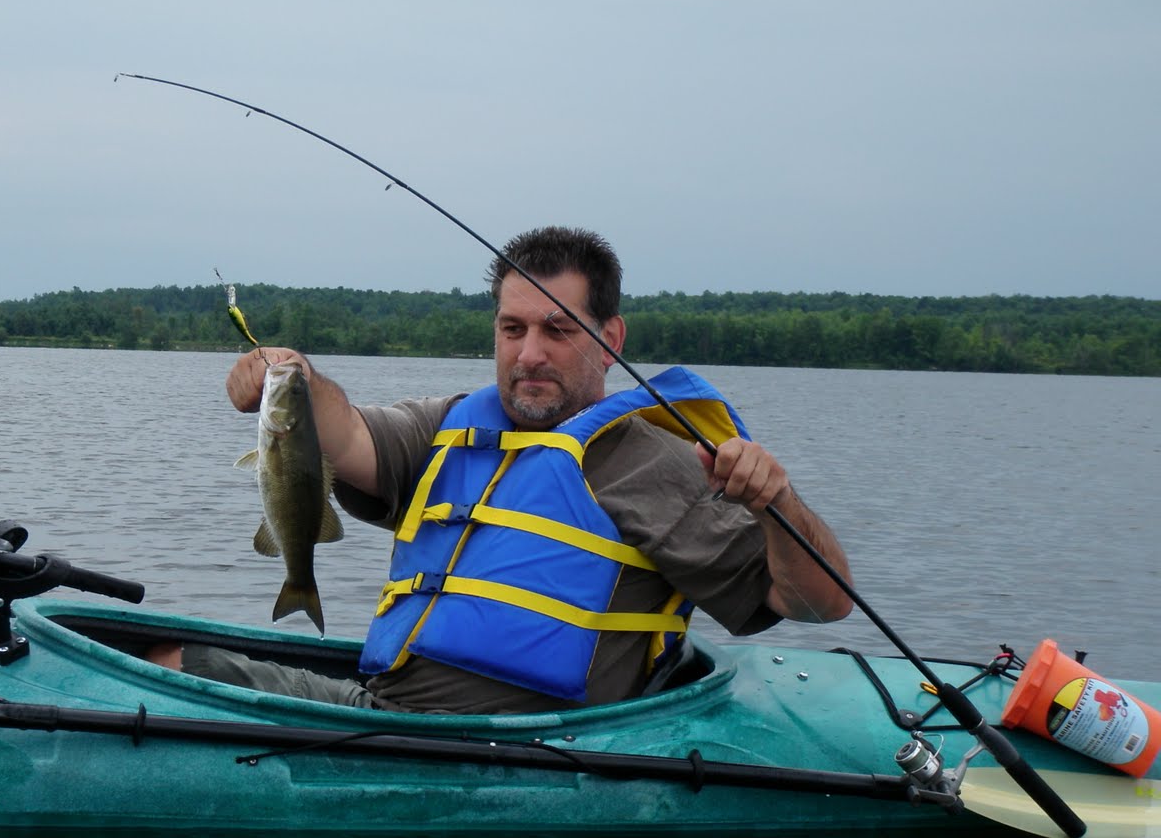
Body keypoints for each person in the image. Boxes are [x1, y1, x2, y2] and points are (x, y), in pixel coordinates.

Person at [150, 226, 852, 713]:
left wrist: (775, 503)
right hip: (385, 711)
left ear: (611, 340)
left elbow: (822, 605)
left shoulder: (659, 467)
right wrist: (293, 374)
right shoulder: (451, 428)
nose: (529, 353)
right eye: (512, 329)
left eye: (557, 329)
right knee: (162, 663)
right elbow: (348, 437)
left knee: (163, 689)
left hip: (517, 751)